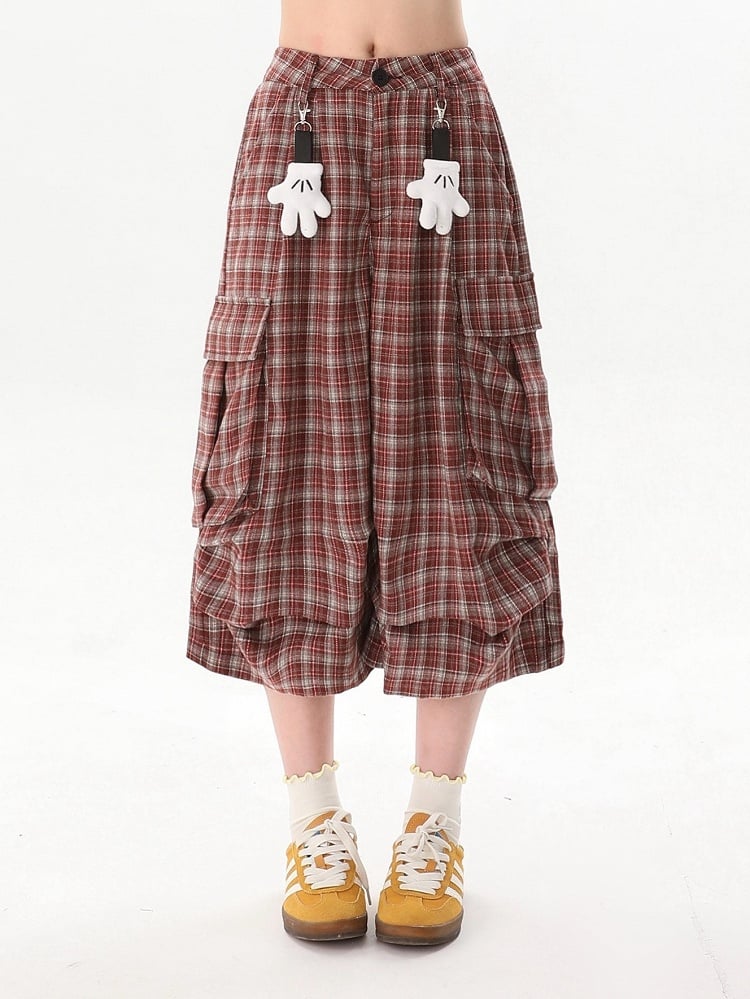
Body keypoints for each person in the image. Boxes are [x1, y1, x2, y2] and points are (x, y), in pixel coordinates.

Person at [186, 0, 564, 946]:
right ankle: (313, 821)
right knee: (281, 441)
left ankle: (435, 822)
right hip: (300, 121)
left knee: (460, 441)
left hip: (443, 118)